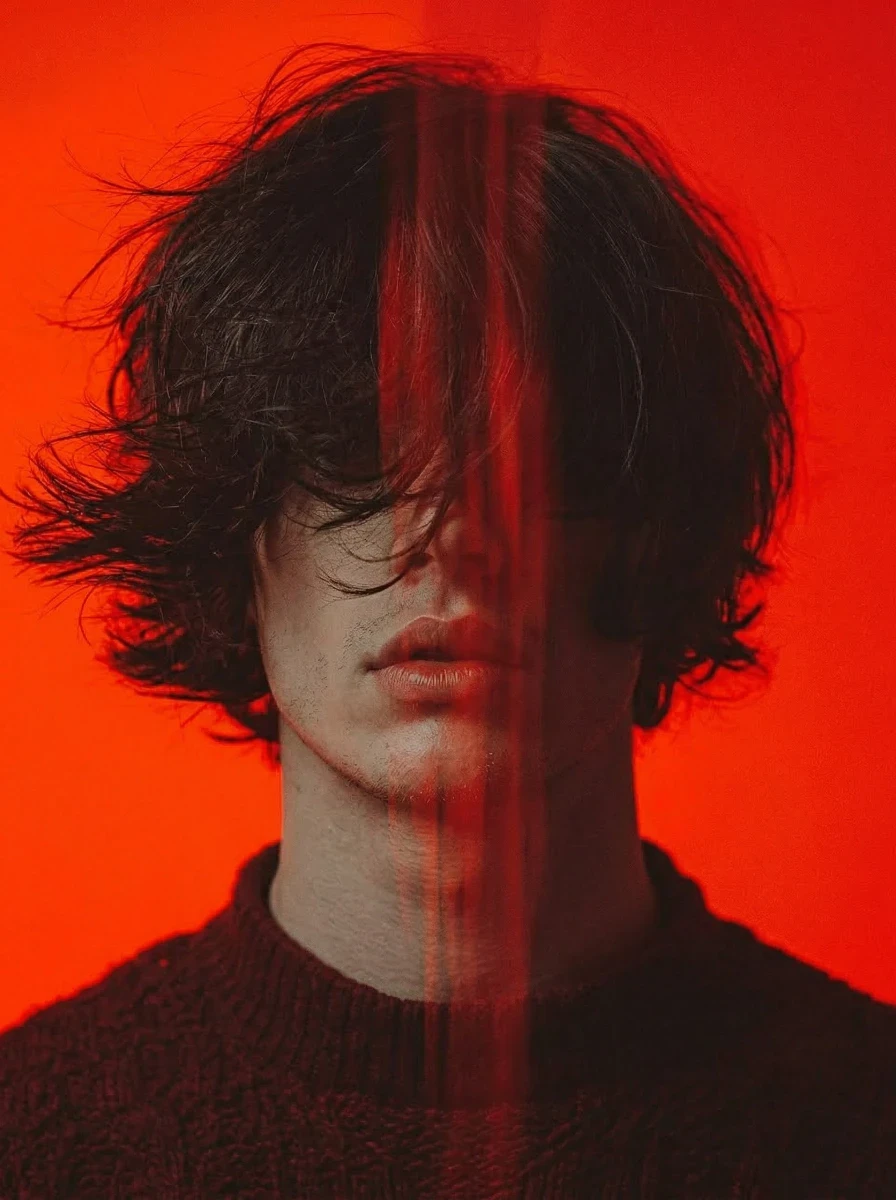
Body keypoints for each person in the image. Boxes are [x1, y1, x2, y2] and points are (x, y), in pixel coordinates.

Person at [0, 41, 894, 1199]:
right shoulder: (38, 1142)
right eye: (352, 446)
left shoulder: (863, 1126)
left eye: (538, 454)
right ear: (233, 532)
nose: (445, 534)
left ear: (661, 518)